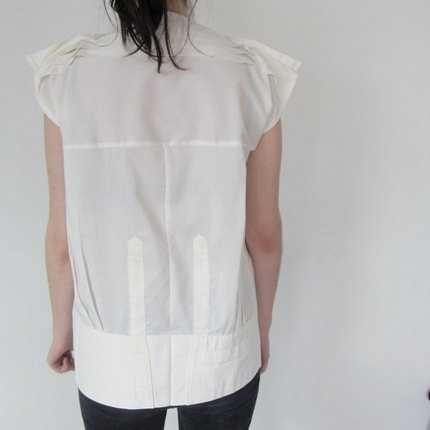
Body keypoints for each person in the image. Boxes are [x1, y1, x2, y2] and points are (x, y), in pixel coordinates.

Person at [26, 0, 301, 428]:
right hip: (222, 351)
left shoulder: (68, 77)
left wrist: (62, 329)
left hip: (113, 358)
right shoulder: (251, 74)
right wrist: (260, 329)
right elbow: (263, 236)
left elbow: (62, 241)